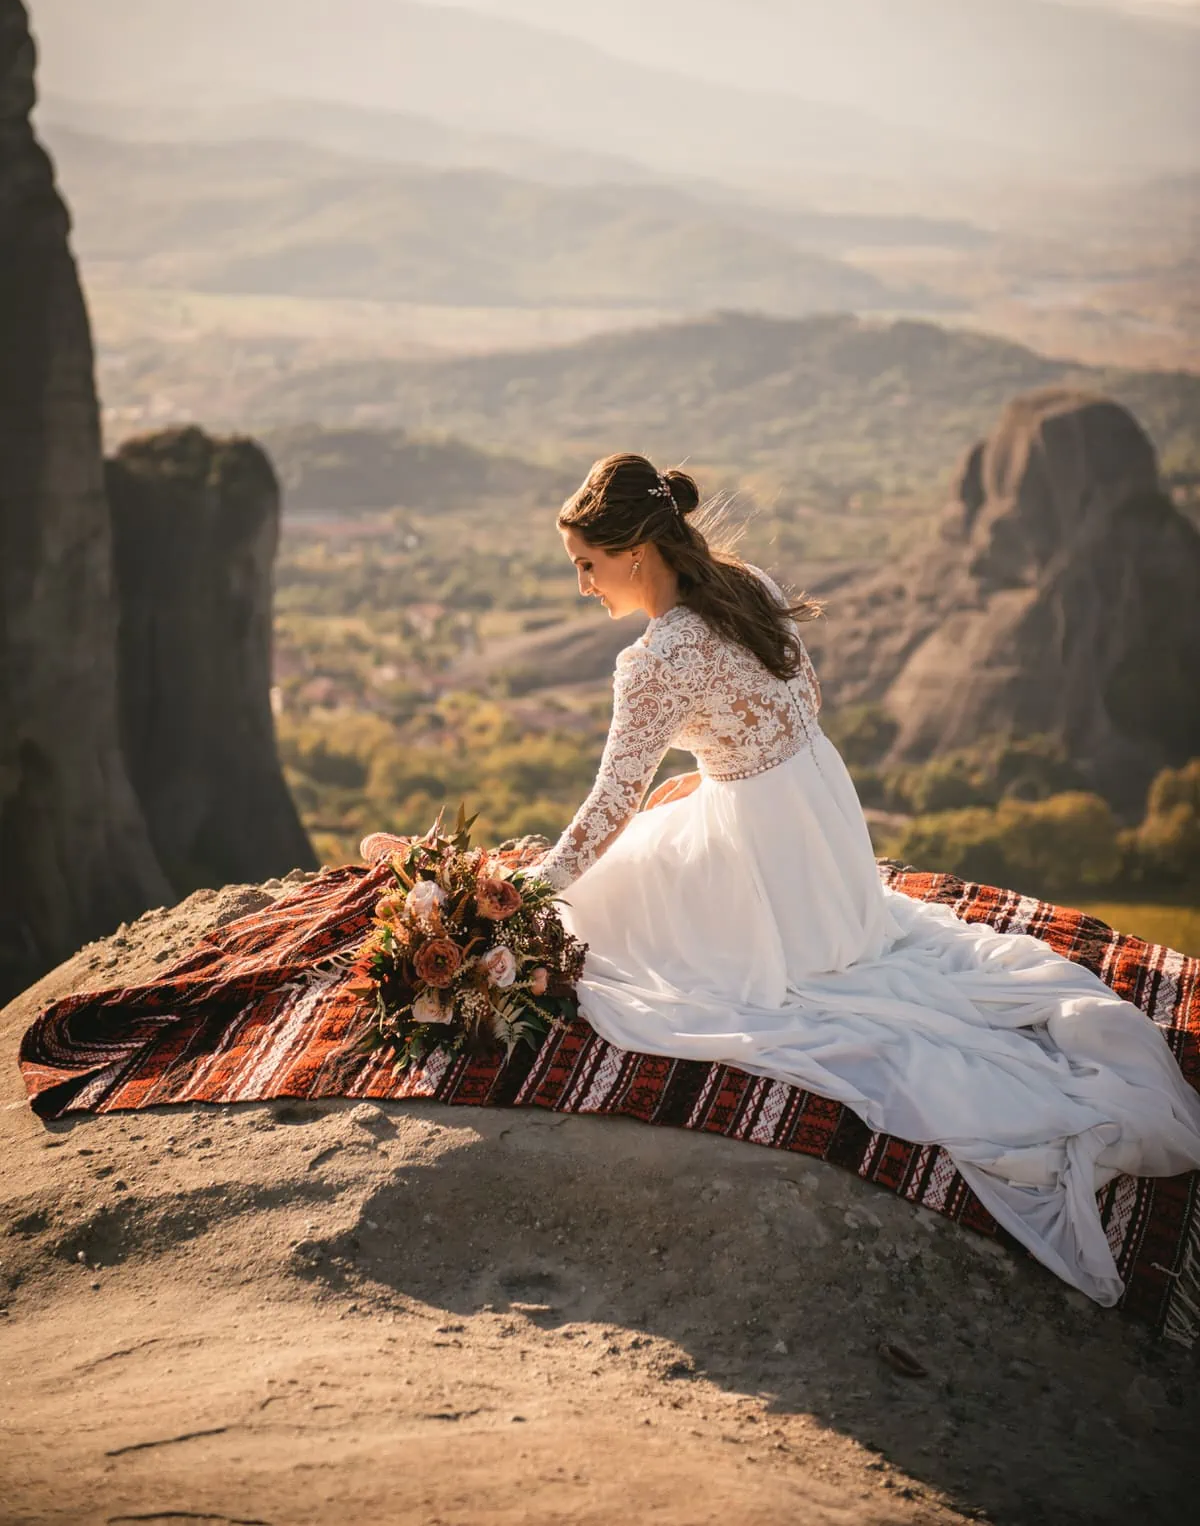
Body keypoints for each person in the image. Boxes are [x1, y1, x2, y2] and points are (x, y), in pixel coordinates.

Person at [369, 452, 1200, 1304]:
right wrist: (720, 770)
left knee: (603, 915)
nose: (583, 586)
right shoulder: (747, 584)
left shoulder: (655, 660)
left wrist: (518, 899)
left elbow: (608, 808)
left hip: (769, 857)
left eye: (586, 565)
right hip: (818, 823)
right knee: (652, 848)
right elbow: (793, 706)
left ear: (632, 553)